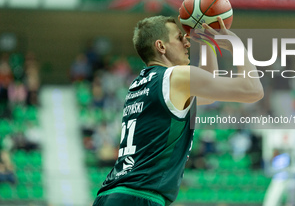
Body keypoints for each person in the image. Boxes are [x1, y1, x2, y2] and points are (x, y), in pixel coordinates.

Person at [92, 15, 263, 206]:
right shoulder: (176, 77)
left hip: (111, 195)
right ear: (161, 46)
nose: (187, 42)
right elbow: (252, 90)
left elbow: (209, 91)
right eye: (179, 38)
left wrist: (207, 41)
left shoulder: (140, 84)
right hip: (138, 197)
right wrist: (236, 46)